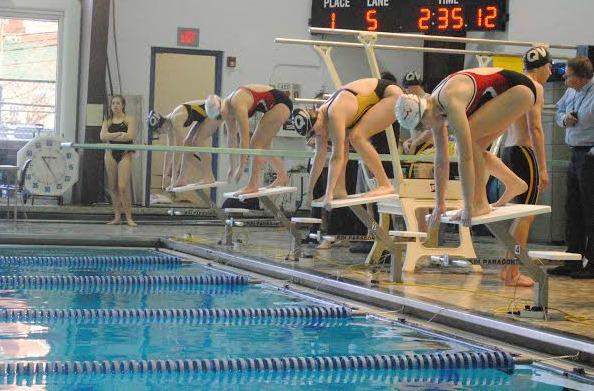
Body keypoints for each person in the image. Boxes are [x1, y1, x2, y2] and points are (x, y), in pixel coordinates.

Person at [395, 67, 541, 227]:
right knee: (476, 146)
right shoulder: (433, 109)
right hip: (513, 91)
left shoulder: (449, 100)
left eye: (421, 126)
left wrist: (468, 207)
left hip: (519, 90)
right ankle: (514, 183)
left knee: (469, 143)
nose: (424, 130)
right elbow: (441, 160)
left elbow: (465, 157)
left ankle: (480, 203)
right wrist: (439, 204)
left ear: (423, 114)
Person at [292, 78, 402, 207]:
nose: (318, 135)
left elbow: (336, 157)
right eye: (313, 134)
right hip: (375, 98)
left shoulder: (334, 113)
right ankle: (339, 188)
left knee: (356, 137)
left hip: (390, 95)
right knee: (346, 138)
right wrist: (309, 193)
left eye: (316, 131)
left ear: (317, 117)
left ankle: (385, 184)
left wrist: (328, 194)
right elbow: (319, 157)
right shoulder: (320, 120)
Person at [499, 46, 551, 287]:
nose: (550, 72)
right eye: (549, 67)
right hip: (524, 152)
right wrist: (542, 167)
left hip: (509, 150)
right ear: (541, 67)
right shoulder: (535, 87)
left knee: (518, 214)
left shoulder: (515, 84)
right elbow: (536, 128)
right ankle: (513, 273)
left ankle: (507, 270)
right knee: (525, 216)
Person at [204, 85, 293, 195]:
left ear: (220, 106)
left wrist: (241, 167)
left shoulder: (237, 102)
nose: (221, 119)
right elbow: (231, 139)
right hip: (274, 106)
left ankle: (253, 185)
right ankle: (282, 175)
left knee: (255, 146)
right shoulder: (226, 110)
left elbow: (244, 138)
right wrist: (232, 167)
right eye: (218, 118)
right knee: (264, 148)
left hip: (281, 104)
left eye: (219, 116)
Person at [551, 56, 594, 279]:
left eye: (568, 75)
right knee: (573, 208)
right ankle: (573, 260)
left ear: (580, 77)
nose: (564, 78)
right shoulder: (571, 92)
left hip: (590, 155)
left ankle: (593, 264)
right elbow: (558, 113)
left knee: (591, 210)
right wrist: (564, 120)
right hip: (575, 153)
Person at [147, 100, 222, 190]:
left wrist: (173, 180)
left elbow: (178, 151)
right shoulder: (169, 125)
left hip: (216, 111)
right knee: (188, 143)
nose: (160, 134)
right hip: (206, 115)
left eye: (159, 132)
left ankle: (209, 176)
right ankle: (183, 179)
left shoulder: (175, 120)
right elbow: (169, 152)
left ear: (162, 126)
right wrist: (164, 177)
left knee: (197, 141)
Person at [99, 95, 138, 226]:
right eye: (113, 103)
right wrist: (119, 134)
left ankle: (129, 218)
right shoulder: (108, 121)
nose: (115, 106)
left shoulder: (129, 119)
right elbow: (103, 136)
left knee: (122, 186)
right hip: (110, 154)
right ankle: (117, 217)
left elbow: (130, 136)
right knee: (113, 187)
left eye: (118, 103)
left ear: (123, 105)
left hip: (125, 154)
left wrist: (113, 137)